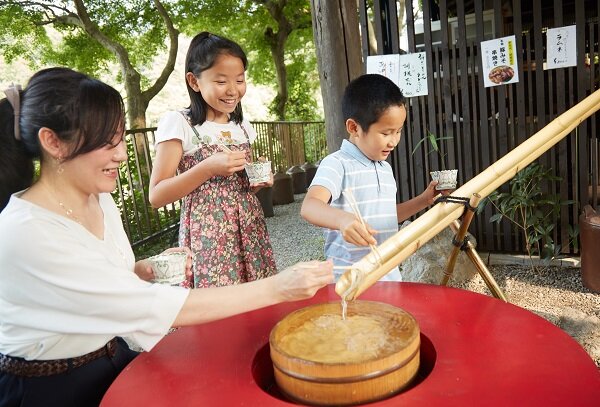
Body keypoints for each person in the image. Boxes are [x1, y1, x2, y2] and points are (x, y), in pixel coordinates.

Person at [0, 67, 333, 407]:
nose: (120, 154)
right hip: (49, 386)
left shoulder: (98, 197)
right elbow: (147, 307)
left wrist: (136, 270)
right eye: (105, 143)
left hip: (113, 354)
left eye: (120, 139)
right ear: (52, 141)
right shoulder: (25, 230)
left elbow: (86, 288)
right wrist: (279, 286)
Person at [149, 32, 276, 289]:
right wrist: (207, 168)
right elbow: (157, 195)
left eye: (239, 80)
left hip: (250, 230)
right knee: (219, 307)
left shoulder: (241, 125)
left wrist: (258, 182)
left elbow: (239, 187)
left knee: (257, 298)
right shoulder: (179, 123)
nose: (233, 90)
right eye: (221, 81)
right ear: (194, 81)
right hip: (209, 239)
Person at [301, 73, 441, 281]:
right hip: (349, 282)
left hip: (389, 276)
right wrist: (342, 220)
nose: (393, 141)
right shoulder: (336, 164)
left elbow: (386, 216)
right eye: (386, 133)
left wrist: (424, 200)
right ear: (354, 127)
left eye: (398, 131)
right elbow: (309, 206)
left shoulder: (385, 168)